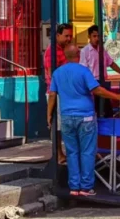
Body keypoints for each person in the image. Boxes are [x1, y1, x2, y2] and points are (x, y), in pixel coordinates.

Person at [47, 44, 120, 197]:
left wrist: (48, 114)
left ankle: (74, 187)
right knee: (87, 152)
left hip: (66, 117)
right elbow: (96, 90)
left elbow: (52, 95)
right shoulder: (84, 71)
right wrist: (117, 97)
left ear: (65, 56)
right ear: (78, 54)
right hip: (86, 117)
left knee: (72, 153)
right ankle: (85, 187)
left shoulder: (57, 73)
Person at [45, 23, 73, 164]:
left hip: (66, 92)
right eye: (66, 36)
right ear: (57, 35)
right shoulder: (52, 51)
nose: (68, 38)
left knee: (64, 125)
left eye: (70, 36)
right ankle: (58, 153)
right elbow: (51, 74)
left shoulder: (66, 49)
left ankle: (64, 153)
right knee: (57, 124)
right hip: (56, 92)